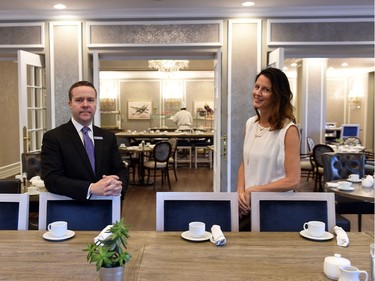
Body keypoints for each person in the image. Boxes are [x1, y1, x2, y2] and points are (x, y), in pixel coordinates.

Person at [41, 81, 128, 201]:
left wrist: (118, 186)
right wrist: (91, 188)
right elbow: (52, 179)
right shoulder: (54, 137)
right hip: (72, 208)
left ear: (96, 104)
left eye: (90, 100)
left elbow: (120, 170)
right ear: (70, 104)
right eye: (79, 100)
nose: (85, 104)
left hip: (107, 205)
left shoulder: (108, 137)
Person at [237, 67, 301, 229]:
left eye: (266, 89)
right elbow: (245, 163)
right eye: (257, 86)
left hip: (275, 209)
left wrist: (254, 190)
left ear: (277, 96)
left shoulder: (288, 130)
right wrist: (240, 193)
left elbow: (293, 181)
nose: (257, 93)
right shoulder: (250, 124)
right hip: (249, 206)